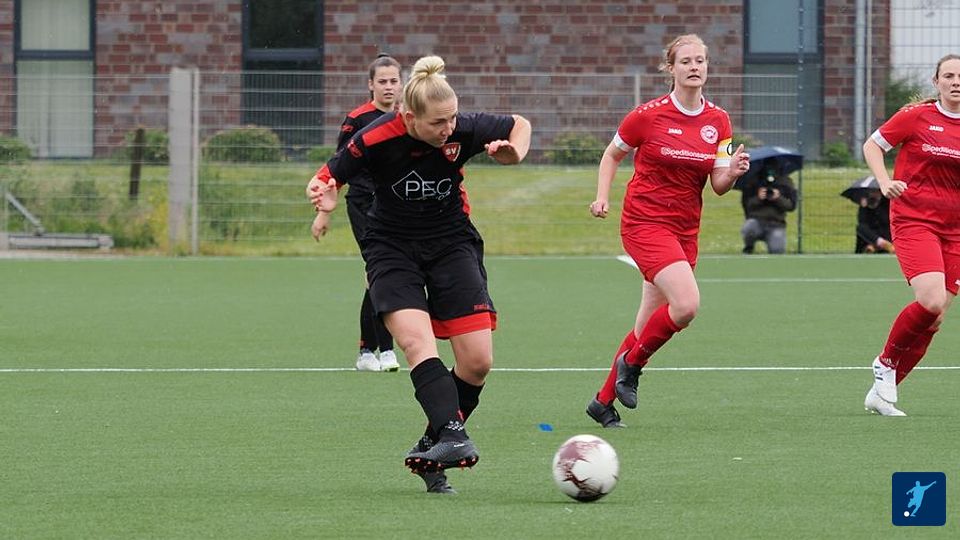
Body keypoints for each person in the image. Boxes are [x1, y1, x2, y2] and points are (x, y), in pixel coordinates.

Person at [306, 55, 531, 492]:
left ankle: (435, 445)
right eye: (437, 123)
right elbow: (325, 177)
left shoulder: (461, 128)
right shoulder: (375, 137)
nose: (449, 129)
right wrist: (324, 197)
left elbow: (520, 124)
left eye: (452, 119)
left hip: (451, 244)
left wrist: (514, 153)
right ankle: (453, 435)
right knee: (415, 343)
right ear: (409, 117)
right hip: (391, 248)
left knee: (478, 362)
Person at [584, 34, 750, 428]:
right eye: (686, 61)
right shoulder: (647, 115)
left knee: (646, 326)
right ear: (670, 68)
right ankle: (632, 365)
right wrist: (601, 196)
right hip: (645, 223)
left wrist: (732, 172)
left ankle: (603, 402)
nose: (694, 67)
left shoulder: (720, 121)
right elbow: (612, 154)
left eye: (700, 61)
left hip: (684, 230)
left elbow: (718, 185)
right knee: (687, 305)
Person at [860, 53, 960, 416]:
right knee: (930, 300)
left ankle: (882, 393)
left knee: (935, 317)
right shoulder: (917, 116)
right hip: (914, 219)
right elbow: (873, 145)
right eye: (948, 76)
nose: (956, 82)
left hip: (956, 229)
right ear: (936, 82)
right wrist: (884, 181)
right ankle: (885, 364)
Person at [339, 54, 402, 372]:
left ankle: (367, 351)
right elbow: (339, 165)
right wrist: (323, 210)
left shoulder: (407, 117)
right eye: (382, 81)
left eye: (394, 81)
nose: (388, 86)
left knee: (384, 275)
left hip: (394, 206)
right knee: (380, 272)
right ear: (370, 85)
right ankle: (383, 351)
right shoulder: (357, 119)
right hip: (364, 205)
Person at [740, 159, 796, 254]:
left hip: (776, 224)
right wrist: (758, 198)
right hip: (756, 221)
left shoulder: (786, 183)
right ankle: (749, 247)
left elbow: (791, 206)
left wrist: (778, 198)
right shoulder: (753, 182)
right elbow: (747, 205)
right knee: (749, 227)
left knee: (777, 250)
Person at [855, 189, 894, 254]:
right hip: (872, 237)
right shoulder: (865, 204)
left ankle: (876, 246)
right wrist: (865, 206)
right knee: (860, 228)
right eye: (871, 191)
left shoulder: (888, 202)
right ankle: (878, 244)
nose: (873, 194)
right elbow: (862, 223)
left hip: (886, 235)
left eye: (876, 191)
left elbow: (888, 221)